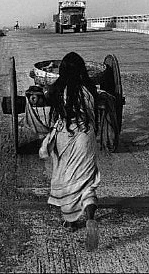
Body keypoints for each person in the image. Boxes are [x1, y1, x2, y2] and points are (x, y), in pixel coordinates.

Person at [40, 51, 101, 251]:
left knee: (68, 179)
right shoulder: (89, 89)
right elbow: (94, 113)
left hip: (66, 136)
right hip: (86, 137)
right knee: (87, 182)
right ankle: (90, 217)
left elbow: (48, 104)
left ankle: (71, 221)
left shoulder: (57, 90)